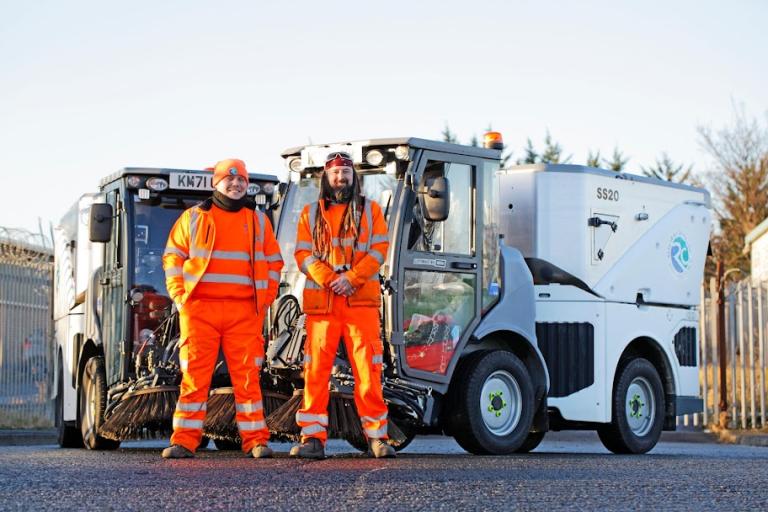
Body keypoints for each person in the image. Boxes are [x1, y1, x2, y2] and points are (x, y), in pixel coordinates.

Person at [161, 158, 283, 459]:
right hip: (200, 309)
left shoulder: (258, 220)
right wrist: (179, 296)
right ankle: (184, 441)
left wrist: (264, 300)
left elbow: (273, 263)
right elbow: (173, 257)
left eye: (241, 179)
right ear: (216, 183)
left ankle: (256, 441)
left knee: (247, 378)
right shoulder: (193, 218)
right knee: (194, 377)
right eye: (229, 179)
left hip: (244, 312)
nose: (236, 184)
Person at [291, 152, 395, 459]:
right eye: (336, 173)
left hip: (359, 303)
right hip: (323, 305)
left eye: (346, 173)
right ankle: (312, 439)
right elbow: (302, 254)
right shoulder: (309, 214)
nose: (341, 178)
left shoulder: (371, 211)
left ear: (354, 178)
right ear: (326, 177)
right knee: (315, 372)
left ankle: (377, 438)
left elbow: (379, 250)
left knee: (369, 371)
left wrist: (351, 278)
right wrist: (329, 279)